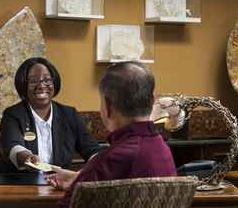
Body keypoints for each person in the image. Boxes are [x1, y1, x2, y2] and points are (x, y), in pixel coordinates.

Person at [46, 61, 177, 208]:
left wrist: (84, 180)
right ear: (152, 100)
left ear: (107, 106)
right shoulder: (163, 150)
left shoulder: (108, 162)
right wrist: (80, 179)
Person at [0, 57, 101, 173]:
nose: (41, 86)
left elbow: (91, 149)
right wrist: (27, 158)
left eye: (47, 80)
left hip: (57, 184)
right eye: (34, 81)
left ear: (54, 82)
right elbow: (13, 147)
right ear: (23, 85)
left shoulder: (69, 115)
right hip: (17, 184)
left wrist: (96, 167)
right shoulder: (13, 115)